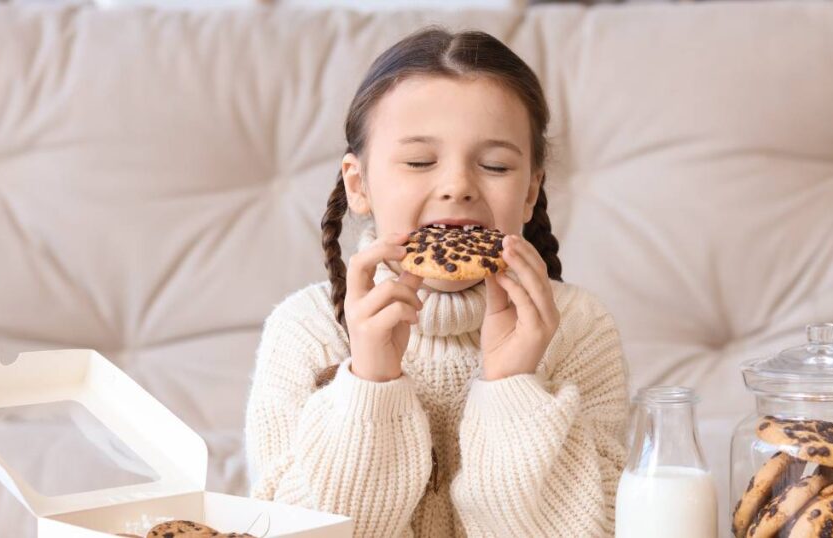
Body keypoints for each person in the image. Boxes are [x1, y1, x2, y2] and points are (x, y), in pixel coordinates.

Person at [245, 26, 630, 537]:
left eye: (494, 165)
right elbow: (288, 529)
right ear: (358, 185)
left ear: (531, 190)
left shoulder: (578, 328)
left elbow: (598, 528)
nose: (457, 187)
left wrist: (512, 387)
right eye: (420, 161)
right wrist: (370, 383)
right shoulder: (305, 331)